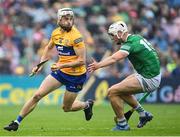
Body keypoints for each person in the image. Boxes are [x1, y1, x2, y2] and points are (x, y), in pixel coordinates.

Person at [4, 8, 94, 131]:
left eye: (71, 19)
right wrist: (39, 65)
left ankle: (87, 105)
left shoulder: (76, 36)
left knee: (66, 108)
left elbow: (81, 61)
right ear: (59, 20)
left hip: (76, 76)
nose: (69, 21)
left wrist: (60, 65)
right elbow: (48, 48)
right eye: (66, 19)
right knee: (37, 95)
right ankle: (16, 123)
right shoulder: (56, 33)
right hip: (60, 72)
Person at [88, 21, 161, 131]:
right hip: (148, 74)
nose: (113, 38)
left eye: (113, 35)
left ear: (120, 33)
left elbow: (115, 58)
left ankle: (122, 124)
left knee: (112, 92)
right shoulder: (136, 38)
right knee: (120, 90)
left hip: (149, 77)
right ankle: (143, 114)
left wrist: (98, 65)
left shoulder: (130, 43)